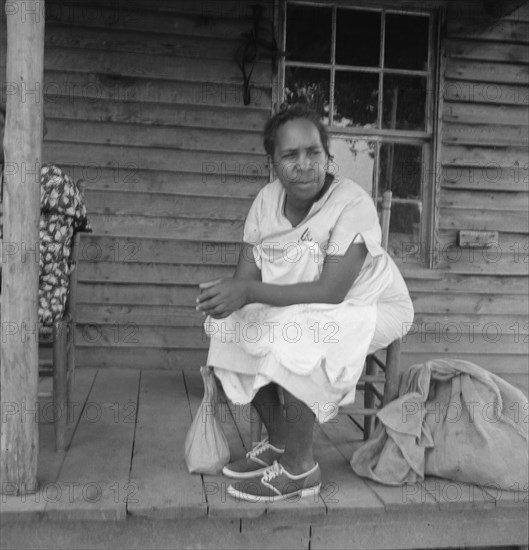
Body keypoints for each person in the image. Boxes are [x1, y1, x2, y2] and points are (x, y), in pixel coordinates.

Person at [196, 104, 414, 502]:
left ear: (327, 156)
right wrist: (227, 297)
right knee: (229, 326)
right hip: (308, 303)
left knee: (296, 335)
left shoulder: (353, 203)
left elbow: (331, 292)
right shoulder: (266, 201)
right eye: (290, 155)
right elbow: (246, 279)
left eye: (314, 152)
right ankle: (280, 441)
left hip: (370, 306)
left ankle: (301, 470)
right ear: (272, 163)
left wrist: (246, 292)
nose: (304, 164)